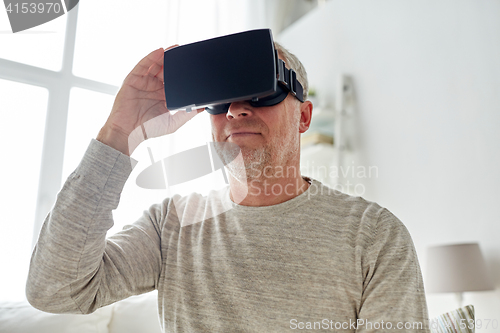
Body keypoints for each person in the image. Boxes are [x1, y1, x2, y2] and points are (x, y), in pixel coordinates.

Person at [26, 40, 430, 332]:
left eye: (262, 92)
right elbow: (55, 290)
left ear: (304, 117)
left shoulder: (374, 236)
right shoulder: (172, 225)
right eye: (220, 101)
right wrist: (120, 131)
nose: (237, 109)